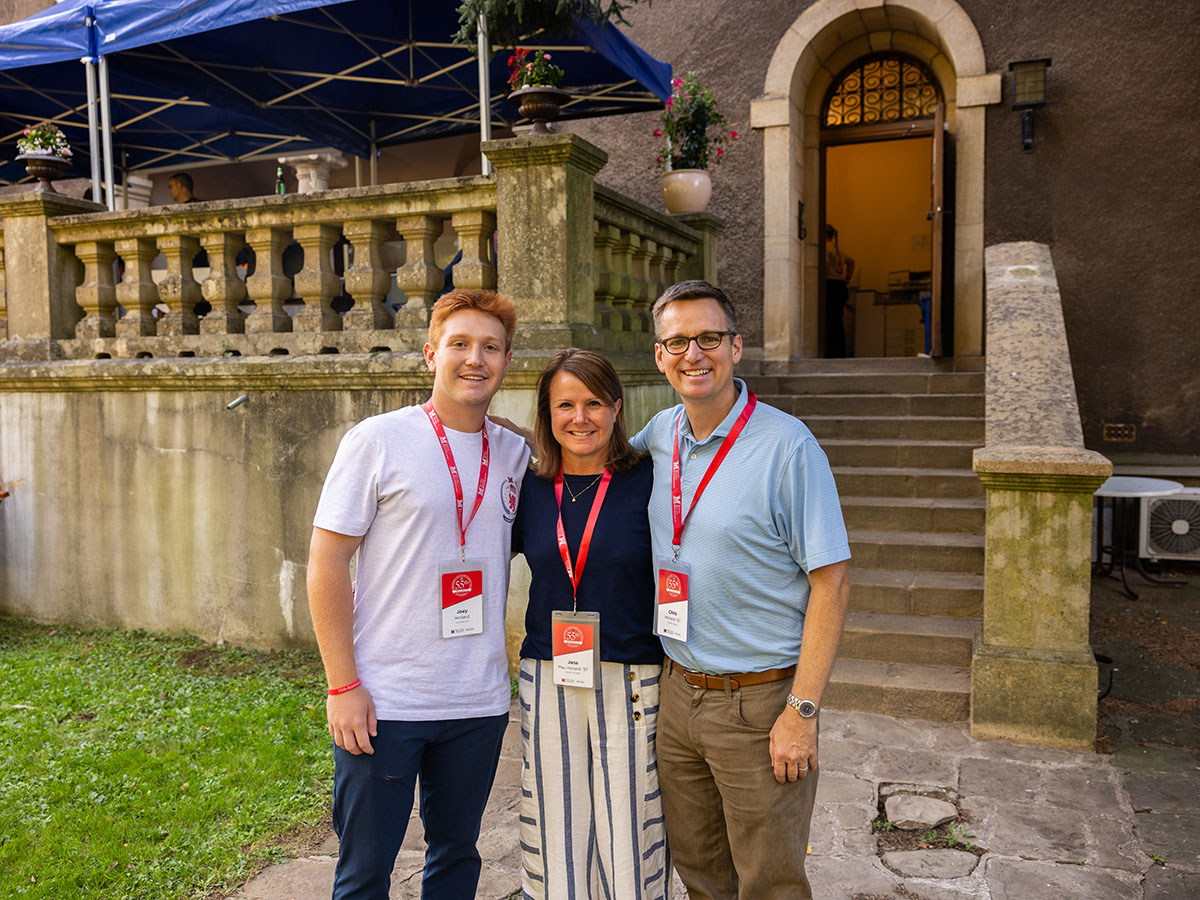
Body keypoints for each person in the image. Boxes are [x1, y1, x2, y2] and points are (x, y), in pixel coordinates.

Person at [306, 288, 531, 900]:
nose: (474, 359)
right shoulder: (376, 440)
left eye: (491, 347)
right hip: (385, 700)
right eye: (459, 344)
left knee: (456, 856)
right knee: (364, 872)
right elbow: (326, 564)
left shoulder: (516, 452)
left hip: (476, 701)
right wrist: (343, 685)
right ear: (431, 354)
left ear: (507, 361)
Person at [632, 279, 851, 900]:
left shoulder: (788, 447)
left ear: (736, 347)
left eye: (708, 338)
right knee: (700, 871)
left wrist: (801, 711)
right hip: (679, 695)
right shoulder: (658, 434)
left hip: (759, 704)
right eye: (677, 341)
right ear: (658, 354)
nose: (692, 354)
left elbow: (831, 585)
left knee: (769, 882)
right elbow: (583, 453)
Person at [511, 349, 667, 900]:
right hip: (547, 670)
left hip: (631, 675)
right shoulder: (527, 488)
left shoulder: (649, 479)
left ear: (617, 408)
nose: (580, 418)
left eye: (594, 403)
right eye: (565, 405)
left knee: (628, 822)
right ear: (547, 414)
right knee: (556, 817)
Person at [824, 224, 855, 358]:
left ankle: (830, 353)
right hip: (841, 286)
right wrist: (847, 278)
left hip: (830, 285)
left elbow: (824, 266)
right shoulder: (838, 250)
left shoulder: (825, 248)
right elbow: (851, 262)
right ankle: (840, 352)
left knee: (828, 321)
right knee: (838, 321)